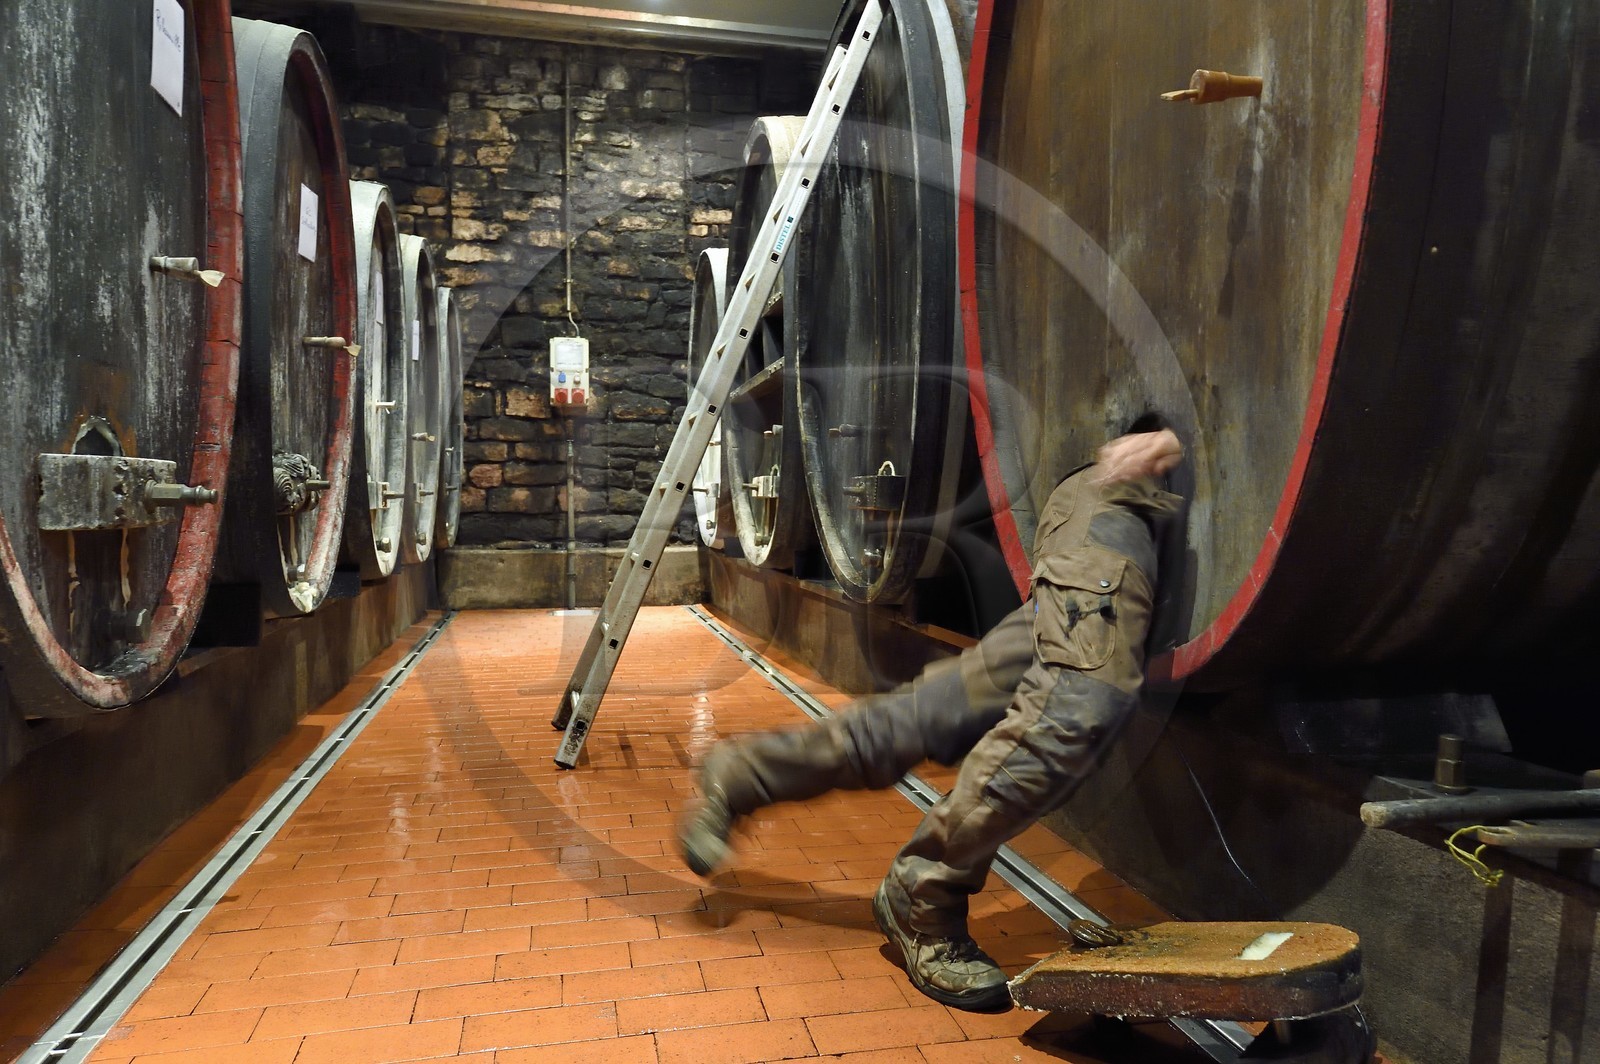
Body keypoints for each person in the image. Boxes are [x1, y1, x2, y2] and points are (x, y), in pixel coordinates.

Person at [677, 426, 1185, 1011]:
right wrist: (1170, 435)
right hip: (1127, 498)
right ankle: (922, 896)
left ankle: (745, 774)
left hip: (1117, 510)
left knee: (945, 710)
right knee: (1075, 709)